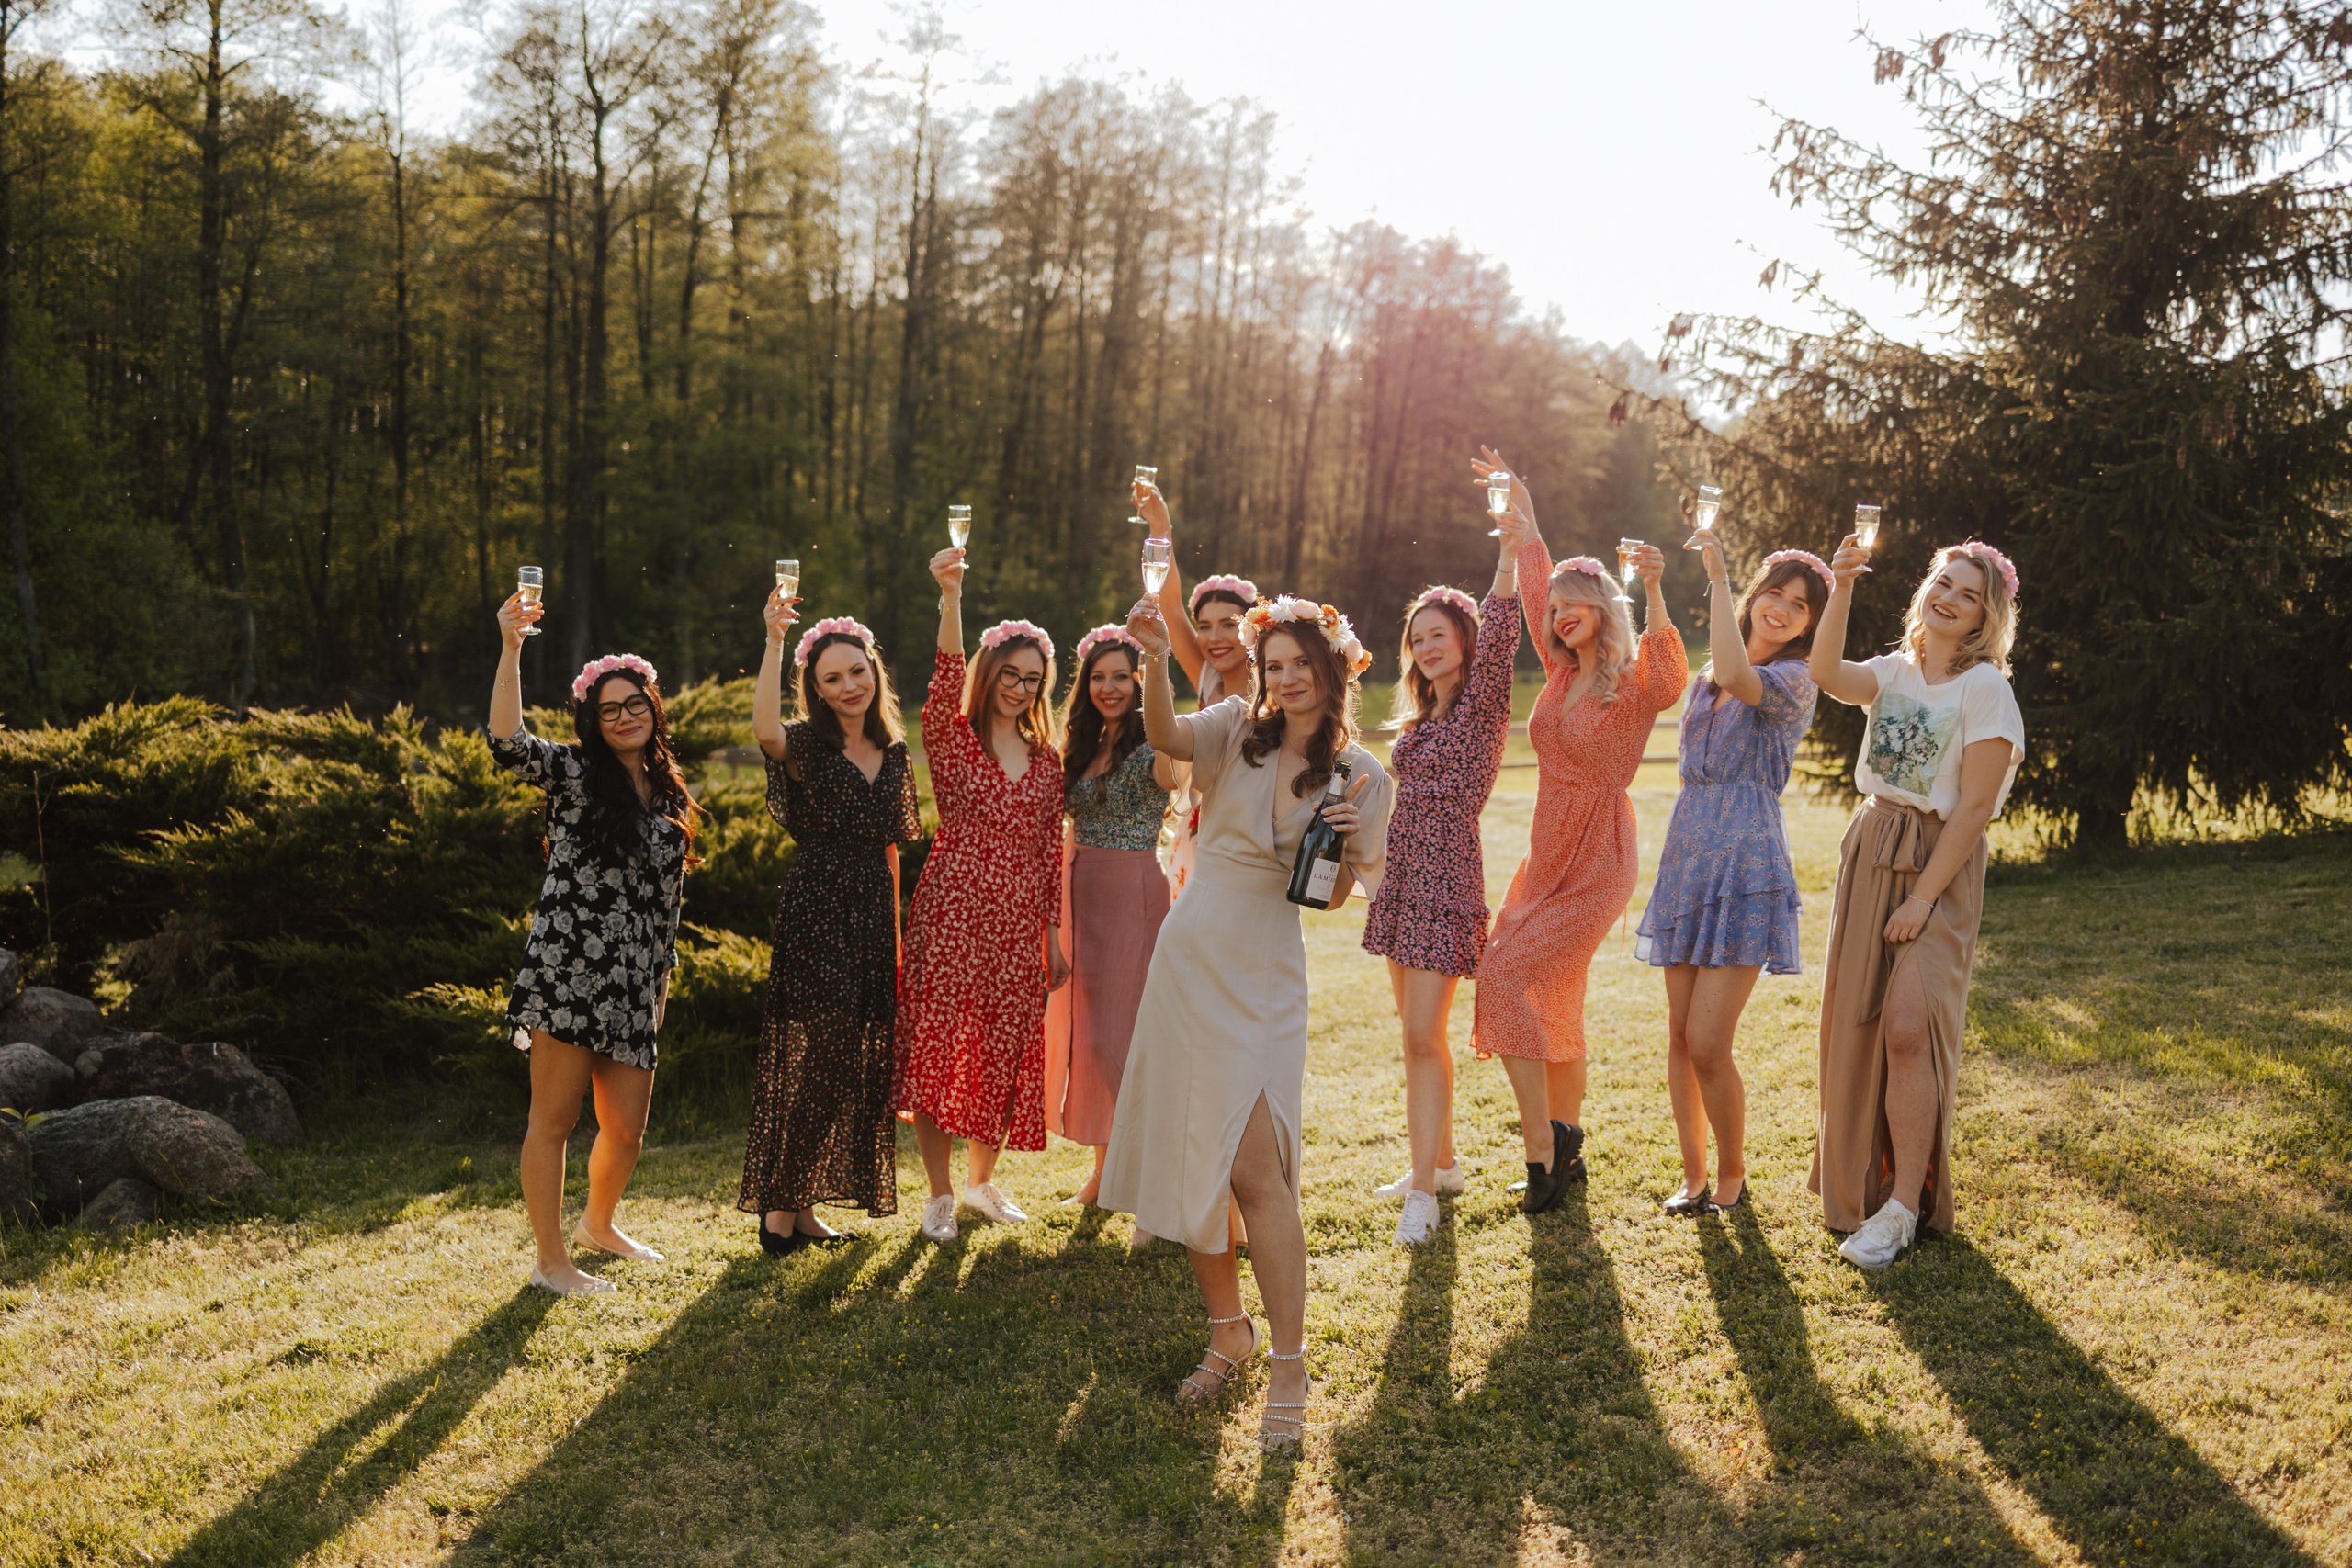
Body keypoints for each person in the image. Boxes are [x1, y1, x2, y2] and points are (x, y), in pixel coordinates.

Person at [1102, 591, 1391, 1453]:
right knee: (1201, 1153)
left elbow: (1336, 899)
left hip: (1265, 968)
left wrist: (1337, 842)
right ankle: (1229, 1329)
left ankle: (1291, 1363)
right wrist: (1155, 659)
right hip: (1190, 954)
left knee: (1258, 1169)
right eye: (1276, 665)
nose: (1288, 677)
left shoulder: (1364, 776)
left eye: (1304, 663)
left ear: (1334, 667)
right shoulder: (1234, 725)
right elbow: (1165, 737)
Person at [1470, 457, 1688, 1213]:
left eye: (1574, 605)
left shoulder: (1629, 683)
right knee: (1553, 996)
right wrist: (1524, 508)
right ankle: (1567, 1146)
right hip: (1546, 855)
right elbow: (1533, 586)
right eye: (1557, 608)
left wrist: (1656, 589)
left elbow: (1670, 680)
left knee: (1501, 974)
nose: (1560, 616)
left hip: (1599, 857)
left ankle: (1542, 1149)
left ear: (1602, 606)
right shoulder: (1560, 673)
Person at [1807, 536, 2024, 1270]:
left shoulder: (1986, 687)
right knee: (1864, 1020)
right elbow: (1825, 671)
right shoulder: (1894, 671)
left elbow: (1973, 809)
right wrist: (1839, 585)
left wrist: (1925, 898)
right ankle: (1865, 1188)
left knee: (1908, 1023)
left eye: (1969, 594)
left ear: (1984, 617)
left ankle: (1903, 1207)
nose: (1950, 597)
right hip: (1873, 846)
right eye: (1944, 582)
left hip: (1940, 861)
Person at [487, 593, 693, 1297]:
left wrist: (662, 979)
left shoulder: (666, 789)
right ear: (592, 721)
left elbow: (669, 896)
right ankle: (551, 1261)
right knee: (554, 1120)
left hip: (636, 981)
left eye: (635, 702)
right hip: (569, 970)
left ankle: (598, 1224)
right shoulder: (574, 776)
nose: (626, 715)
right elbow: (509, 743)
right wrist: (513, 647)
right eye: (610, 708)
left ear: (652, 708)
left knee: (627, 1130)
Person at [1638, 519, 1830, 1218]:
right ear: (1757, 595)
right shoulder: (1699, 681)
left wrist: (1718, 578)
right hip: (1689, 853)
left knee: (1711, 1041)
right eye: (1773, 593)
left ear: (1809, 624)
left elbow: (1738, 673)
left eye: (1799, 605)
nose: (1780, 608)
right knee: (1680, 1034)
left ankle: (1733, 1173)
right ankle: (1692, 1175)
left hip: (1747, 859)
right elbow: (1714, 670)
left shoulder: (1796, 678)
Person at [1360, 474, 1532, 1246]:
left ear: (1463, 641)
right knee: (1413, 1030)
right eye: (1416, 639)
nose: (1427, 647)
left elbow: (1505, 617)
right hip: (1401, 877)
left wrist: (1509, 541)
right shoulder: (1421, 714)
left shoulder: (1484, 699)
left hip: (1447, 877)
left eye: (1438, 634)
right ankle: (1445, 1159)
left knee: (1425, 1033)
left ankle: (1423, 1191)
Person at [736, 592, 923, 1257]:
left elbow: (892, 850)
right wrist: (772, 640)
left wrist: (896, 938)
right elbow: (763, 730)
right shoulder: (808, 745)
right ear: (814, 689)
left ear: (874, 670)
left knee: (840, 1061)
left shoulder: (894, 751)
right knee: (832, 1047)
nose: (849, 685)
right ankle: (781, 1207)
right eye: (832, 678)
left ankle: (800, 1205)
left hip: (872, 910)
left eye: (857, 671)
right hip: (818, 905)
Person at [894, 547, 1069, 1244]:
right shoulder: (953, 737)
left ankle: (981, 1181)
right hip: (952, 908)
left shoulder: (1049, 759)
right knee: (941, 1046)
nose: (1020, 687)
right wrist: (952, 597)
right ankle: (938, 1195)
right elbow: (941, 678)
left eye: (1033, 679)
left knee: (1002, 1048)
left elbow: (1050, 853)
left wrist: (1051, 935)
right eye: (1010, 673)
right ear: (989, 671)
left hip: (1018, 921)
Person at [1045, 625, 1180, 1211]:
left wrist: (1158, 665)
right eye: (1098, 677)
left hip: (1131, 893)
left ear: (1139, 681)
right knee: (1089, 1035)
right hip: (1079, 892)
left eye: (1121, 676)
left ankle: (1153, 1174)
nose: (1109, 687)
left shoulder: (1159, 746)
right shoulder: (1078, 745)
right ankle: (1107, 1171)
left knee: (1119, 1038)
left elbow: (1181, 776)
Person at [1132, 474, 1259, 901]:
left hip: (1249, 836)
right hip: (1198, 832)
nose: (1214, 637)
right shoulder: (1209, 678)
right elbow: (1168, 603)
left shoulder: (1273, 688)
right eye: (1204, 626)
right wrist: (1160, 530)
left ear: (1252, 629)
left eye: (1229, 624)